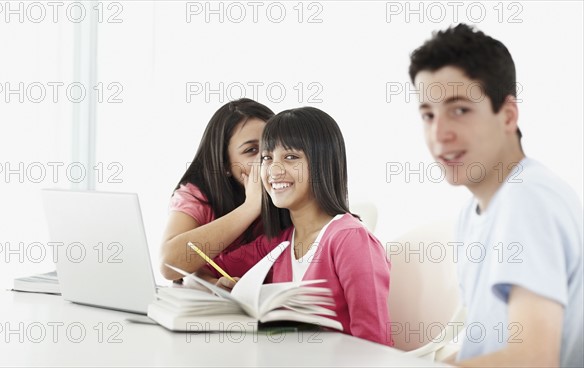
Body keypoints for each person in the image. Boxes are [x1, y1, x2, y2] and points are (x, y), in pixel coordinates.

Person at [409, 24, 583, 367]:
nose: (439, 134)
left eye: (459, 110)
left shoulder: (527, 200)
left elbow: (534, 359)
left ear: (507, 114)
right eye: (428, 114)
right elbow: (490, 349)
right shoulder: (475, 211)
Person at [201, 107, 393, 346]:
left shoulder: (350, 240)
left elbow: (375, 345)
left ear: (322, 164)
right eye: (267, 158)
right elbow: (199, 264)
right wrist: (228, 290)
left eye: (290, 157)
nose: (273, 170)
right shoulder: (277, 244)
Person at [160, 98, 274, 280]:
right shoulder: (198, 195)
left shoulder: (288, 192)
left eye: (272, 146)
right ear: (225, 165)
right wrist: (251, 206)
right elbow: (169, 265)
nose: (266, 158)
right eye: (251, 150)